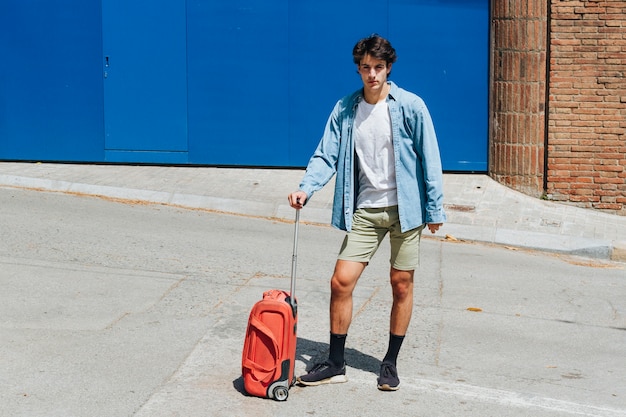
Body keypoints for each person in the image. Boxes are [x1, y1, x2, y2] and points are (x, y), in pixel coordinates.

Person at [287, 34, 446, 391]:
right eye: (365, 68)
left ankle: (389, 363)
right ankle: (336, 362)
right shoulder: (346, 109)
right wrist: (306, 187)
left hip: (407, 210)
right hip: (365, 210)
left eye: (378, 67)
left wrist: (434, 207)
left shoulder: (410, 106)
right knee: (340, 281)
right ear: (358, 69)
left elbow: (430, 157)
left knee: (401, 284)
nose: (372, 74)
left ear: (388, 68)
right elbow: (326, 154)